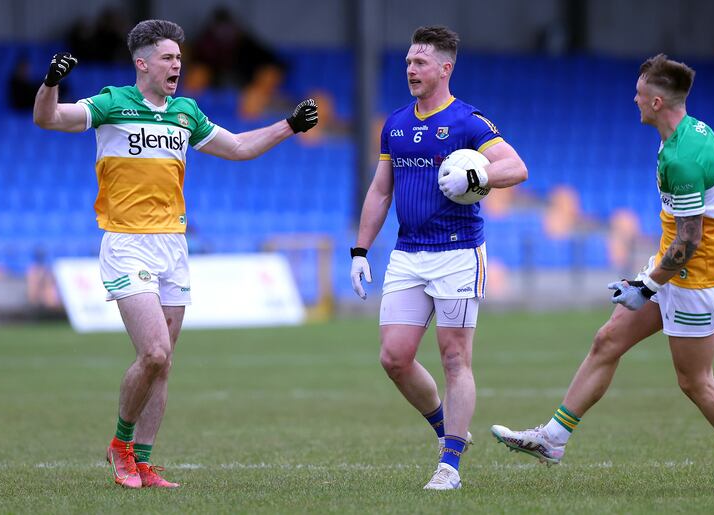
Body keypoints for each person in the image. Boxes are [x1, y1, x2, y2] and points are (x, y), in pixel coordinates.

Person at [33, 19, 318, 489]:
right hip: (127, 243)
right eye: (168, 58)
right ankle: (121, 446)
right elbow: (48, 118)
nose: (177, 65)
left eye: (180, 59)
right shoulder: (110, 103)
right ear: (141, 63)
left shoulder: (185, 112)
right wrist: (50, 84)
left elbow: (241, 147)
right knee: (154, 352)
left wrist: (289, 125)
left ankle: (143, 461)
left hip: (173, 246)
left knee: (164, 365)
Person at [490, 54, 714, 491]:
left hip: (693, 279)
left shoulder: (682, 157)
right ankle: (553, 438)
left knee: (695, 381)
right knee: (608, 340)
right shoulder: (695, 132)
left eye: (640, 92)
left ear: (658, 101)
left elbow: (687, 245)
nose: (634, 98)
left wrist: (647, 285)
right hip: (682, 269)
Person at [350, 26, 527, 490]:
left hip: (458, 252)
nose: (411, 68)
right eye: (409, 61)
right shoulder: (395, 124)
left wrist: (478, 174)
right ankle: (449, 431)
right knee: (394, 357)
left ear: (445, 68)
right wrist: (360, 250)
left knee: (454, 358)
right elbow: (380, 189)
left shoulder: (469, 121)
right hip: (408, 252)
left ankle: (450, 464)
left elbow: (516, 167)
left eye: (421, 62)